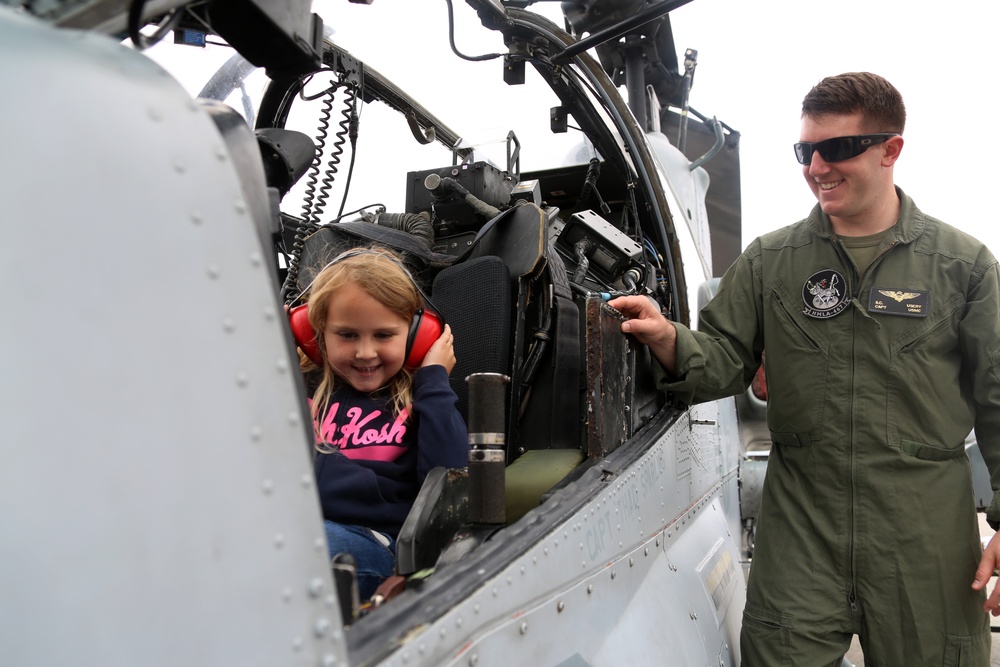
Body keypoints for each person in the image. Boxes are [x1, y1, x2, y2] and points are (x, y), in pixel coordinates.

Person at [611, 72, 1000, 665]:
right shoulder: (772, 262)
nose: (817, 166)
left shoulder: (962, 266)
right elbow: (720, 361)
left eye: (838, 148)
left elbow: (997, 396)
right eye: (805, 151)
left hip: (923, 532)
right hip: (802, 528)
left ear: (891, 149)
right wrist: (667, 336)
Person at [302, 247, 469, 600]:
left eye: (383, 335)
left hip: (374, 543)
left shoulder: (422, 401)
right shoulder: (302, 394)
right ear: (318, 334)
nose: (365, 352)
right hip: (296, 528)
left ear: (416, 336)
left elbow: (450, 480)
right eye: (347, 335)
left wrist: (434, 382)